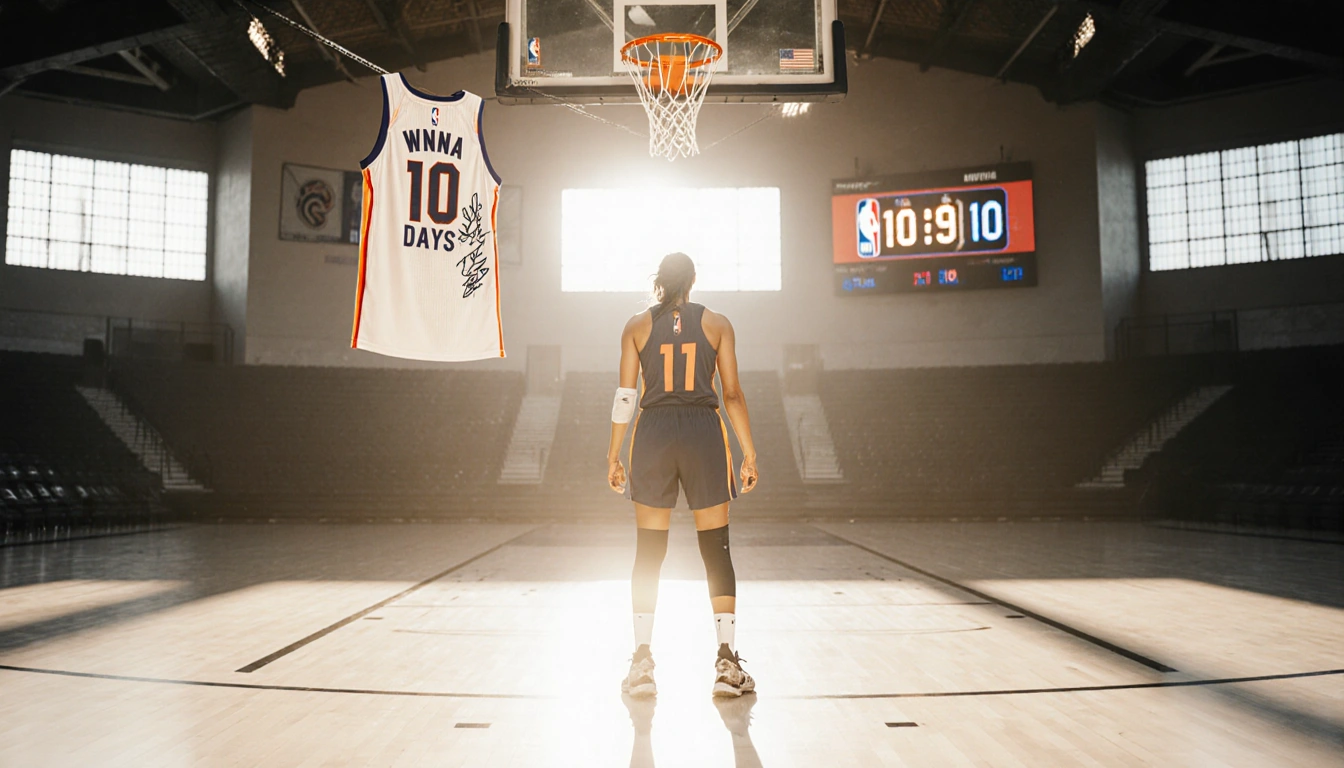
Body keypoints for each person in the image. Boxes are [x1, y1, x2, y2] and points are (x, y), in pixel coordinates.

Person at [607, 252, 759, 698]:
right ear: (693, 282)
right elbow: (730, 393)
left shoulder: (636, 326)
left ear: (659, 282)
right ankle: (727, 664)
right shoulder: (717, 324)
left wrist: (613, 454)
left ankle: (641, 663)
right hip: (702, 433)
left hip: (653, 433)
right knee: (716, 548)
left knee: (649, 551)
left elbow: (624, 397)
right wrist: (748, 452)